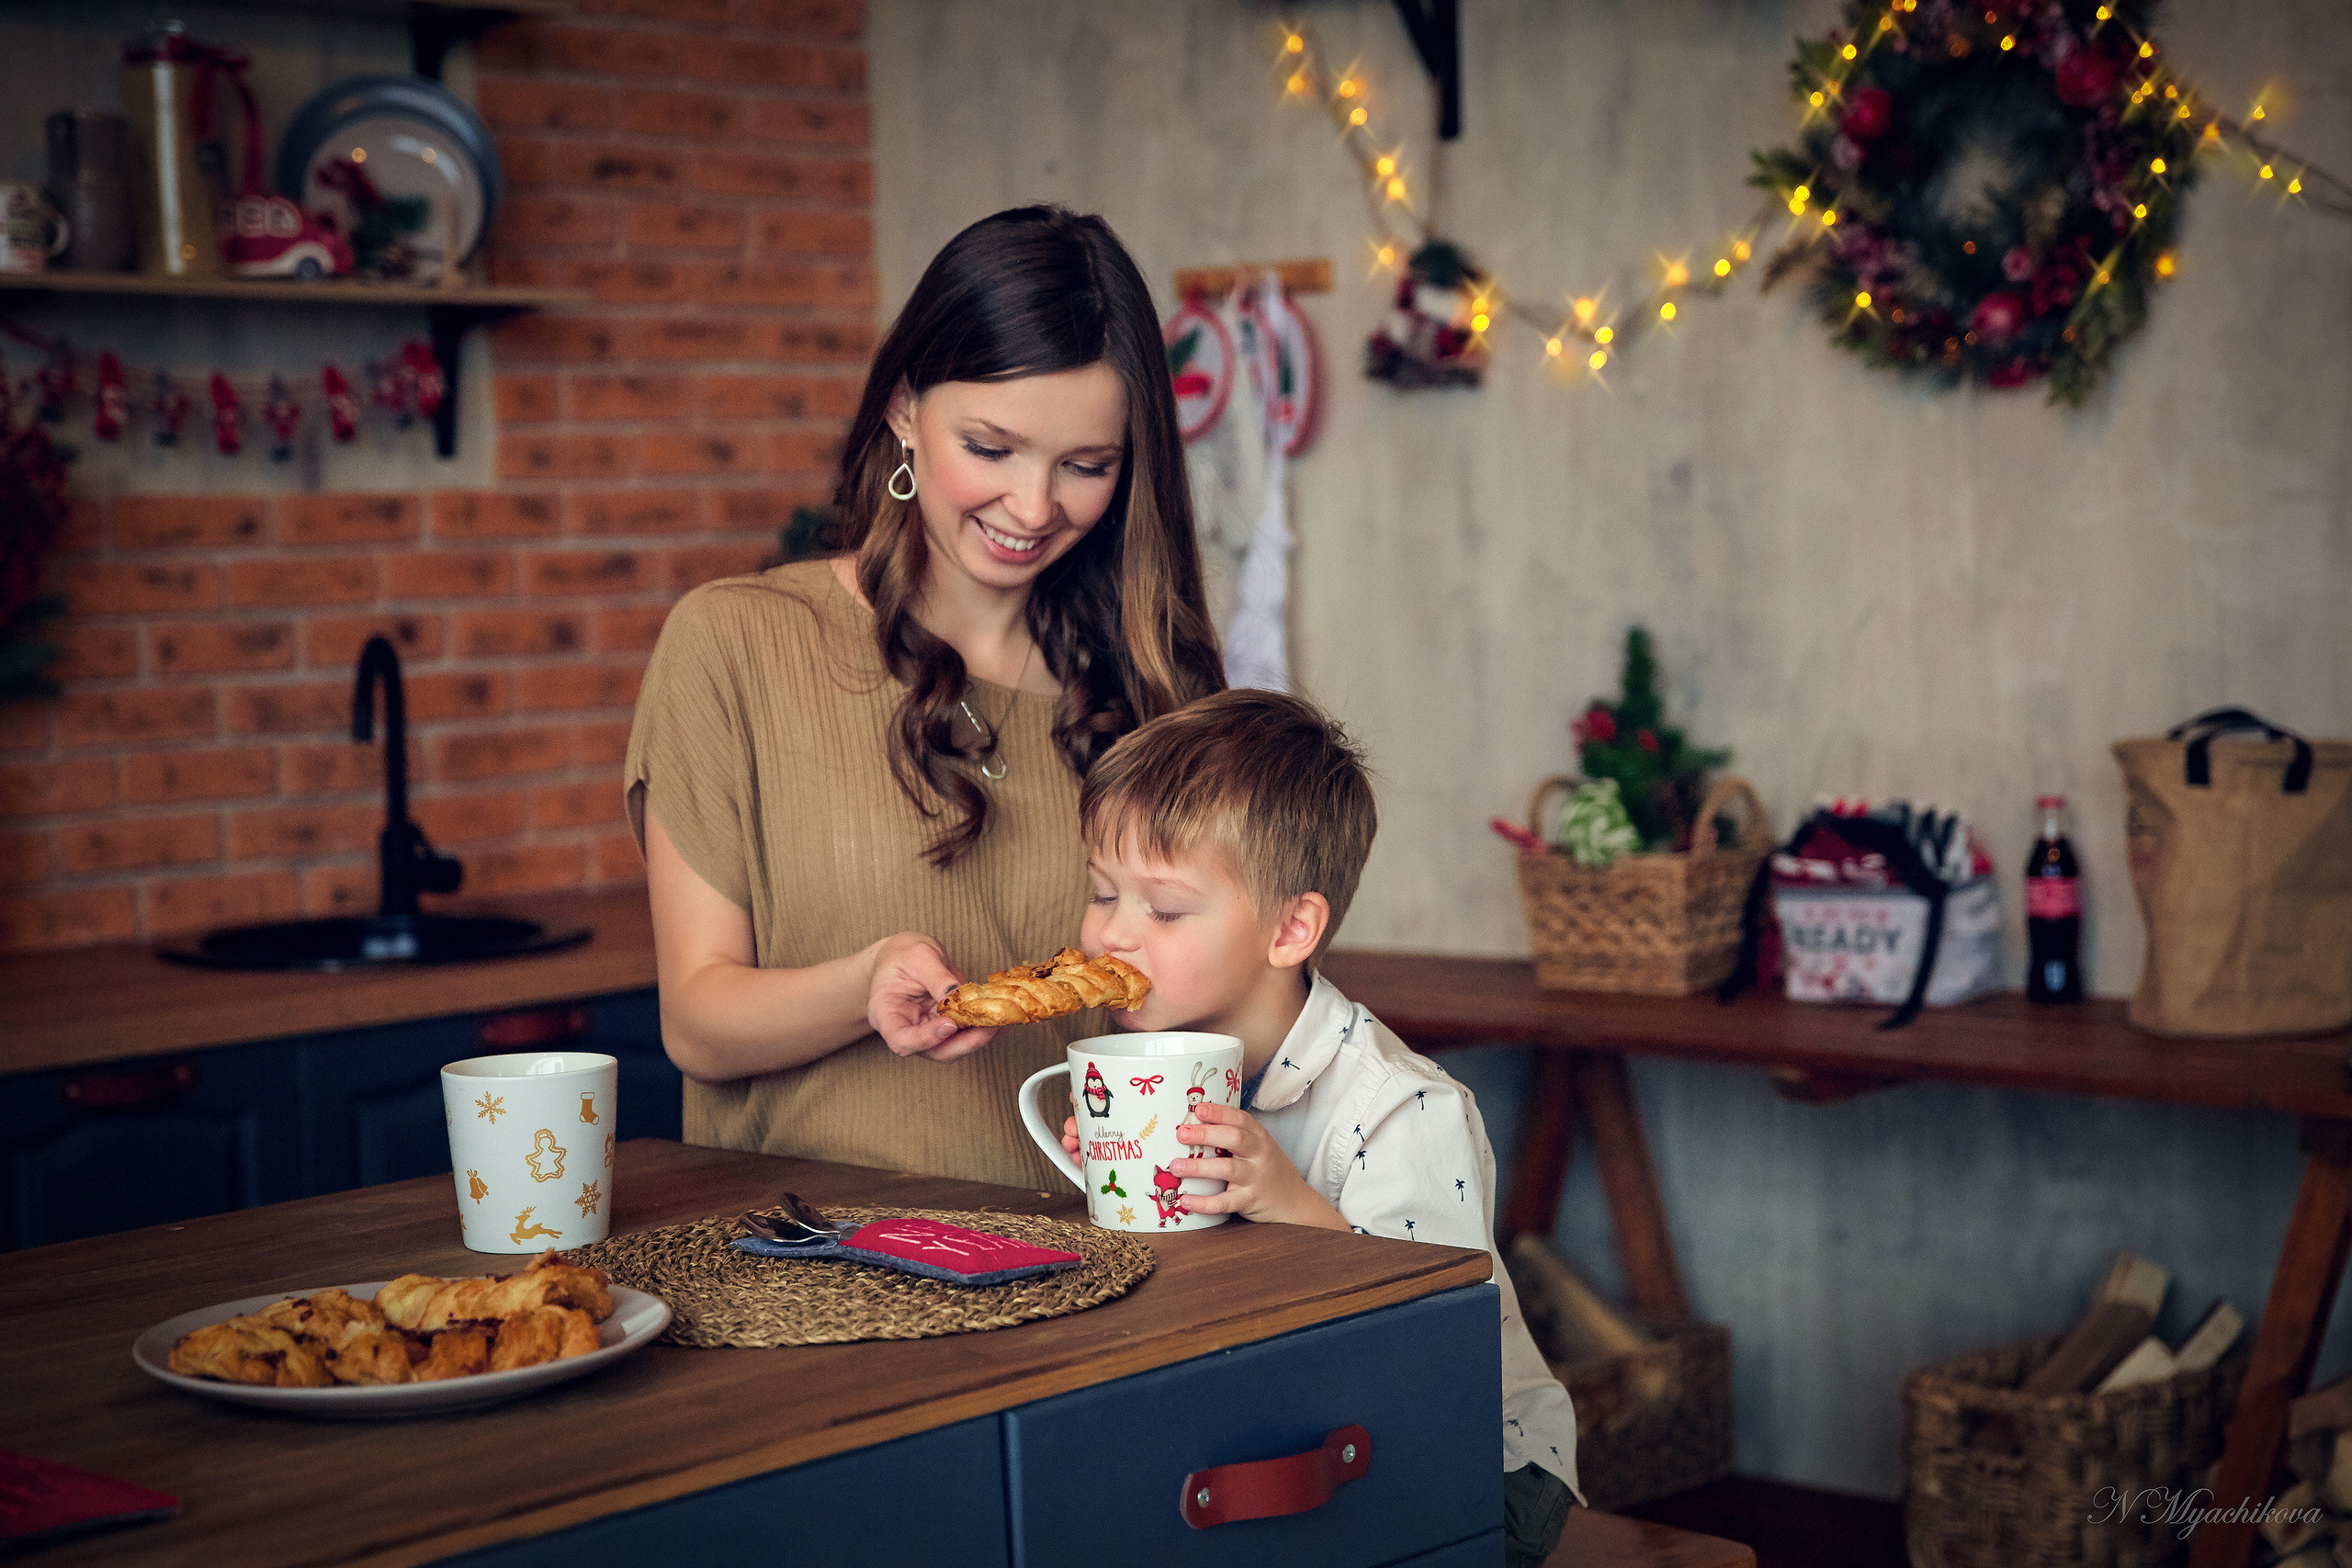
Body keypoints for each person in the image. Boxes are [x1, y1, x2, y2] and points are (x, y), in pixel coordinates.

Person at [624, 205, 1223, 1190]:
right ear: (904, 407)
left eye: (1085, 466)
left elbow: (1224, 1012)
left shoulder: (1155, 683)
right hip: (818, 1278)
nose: (1033, 509)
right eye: (990, 449)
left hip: (1104, 1278)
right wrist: (862, 988)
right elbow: (696, 1023)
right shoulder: (734, 644)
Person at [1060, 688, 1582, 1567]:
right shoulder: (1152, 1066)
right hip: (1288, 1436)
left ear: (1291, 928)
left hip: (1482, 1467)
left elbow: (1427, 1346)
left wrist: (1288, 1200)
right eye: (1102, 892)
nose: (1111, 935)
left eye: (1164, 908)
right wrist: (1115, 1177)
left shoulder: (1403, 1108)